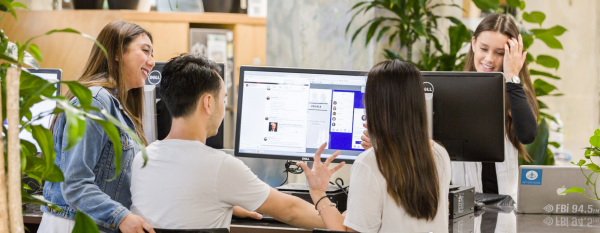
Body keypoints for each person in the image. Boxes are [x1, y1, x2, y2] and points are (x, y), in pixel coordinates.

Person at [129, 53, 326, 230]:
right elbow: (291, 210)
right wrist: (342, 221)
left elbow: (177, 205)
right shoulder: (221, 167)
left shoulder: (141, 160)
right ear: (208, 103)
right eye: (223, 99)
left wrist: (225, 203)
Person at [361, 14, 538, 202]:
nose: (489, 59)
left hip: (504, 208)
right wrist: (384, 147)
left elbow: (527, 134)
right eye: (484, 49)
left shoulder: (515, 93)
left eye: (500, 53)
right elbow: (421, 145)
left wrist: (512, 77)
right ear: (473, 43)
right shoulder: (450, 90)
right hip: (456, 202)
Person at [300, 60, 451, 232]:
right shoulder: (439, 154)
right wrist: (379, 151)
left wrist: (318, 192)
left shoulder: (369, 164)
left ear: (375, 106)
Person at [40, 21, 156, 233]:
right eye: (145, 51)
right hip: (74, 225)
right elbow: (75, 184)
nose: (152, 61)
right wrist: (122, 217)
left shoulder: (114, 103)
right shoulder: (95, 100)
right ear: (117, 53)